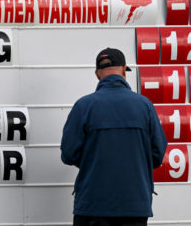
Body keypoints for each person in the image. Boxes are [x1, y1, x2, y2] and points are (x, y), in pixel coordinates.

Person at [60, 47, 167, 226]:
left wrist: (93, 161)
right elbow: (157, 153)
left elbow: (68, 154)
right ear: (124, 70)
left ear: (97, 74)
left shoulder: (83, 106)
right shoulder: (145, 106)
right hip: (135, 206)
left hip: (92, 206)